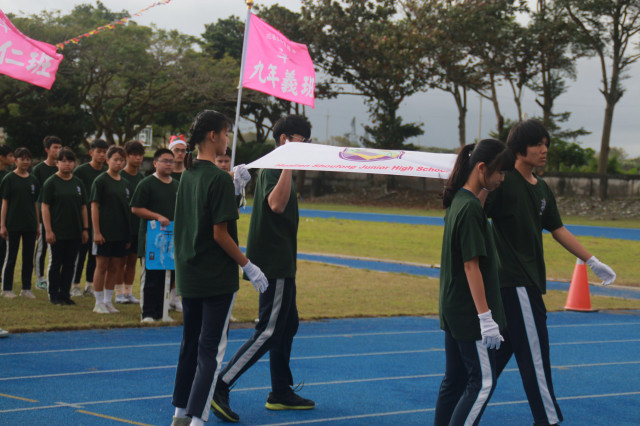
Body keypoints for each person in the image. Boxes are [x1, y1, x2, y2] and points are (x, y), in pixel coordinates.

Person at [483, 119, 617, 426]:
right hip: (516, 285)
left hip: (527, 284)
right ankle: (548, 421)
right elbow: (477, 208)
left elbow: (557, 228)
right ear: (519, 148)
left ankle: (459, 412)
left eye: (546, 144)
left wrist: (592, 260)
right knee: (536, 361)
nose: (544, 150)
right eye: (537, 144)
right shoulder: (504, 181)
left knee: (490, 365)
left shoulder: (541, 187)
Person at [211, 115, 314, 423]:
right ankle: (221, 384)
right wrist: (289, 164)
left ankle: (280, 391)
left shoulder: (281, 166)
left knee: (288, 325)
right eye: (301, 140)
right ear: (284, 139)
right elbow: (276, 204)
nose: (306, 145)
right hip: (273, 262)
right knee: (269, 331)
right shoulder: (275, 166)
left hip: (283, 262)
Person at [170, 110, 268, 426]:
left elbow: (202, 216)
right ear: (213, 135)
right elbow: (220, 234)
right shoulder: (217, 178)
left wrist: (233, 189)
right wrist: (248, 265)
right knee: (211, 350)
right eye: (226, 133)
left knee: (190, 345)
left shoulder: (188, 174)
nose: (228, 140)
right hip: (215, 277)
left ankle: (180, 413)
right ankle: (198, 419)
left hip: (189, 273)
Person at [434, 139, 514, 426]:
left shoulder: (460, 201)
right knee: (482, 383)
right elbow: (471, 266)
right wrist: (485, 318)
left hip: (454, 306)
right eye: (500, 171)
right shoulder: (469, 209)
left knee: (454, 380)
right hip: (469, 313)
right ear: (482, 168)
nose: (502, 178)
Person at [131, 148, 179, 322]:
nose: (168, 164)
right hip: (152, 239)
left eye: (171, 161)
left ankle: (162, 312)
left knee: (168, 276)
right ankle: (148, 313)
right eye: (165, 161)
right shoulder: (146, 184)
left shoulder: (177, 185)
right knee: (151, 276)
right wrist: (157, 216)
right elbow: (136, 208)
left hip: (171, 239)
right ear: (155, 163)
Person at [41, 148, 89, 305]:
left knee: (70, 264)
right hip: (57, 231)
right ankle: (53, 294)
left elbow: (83, 207)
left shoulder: (78, 183)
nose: (67, 164)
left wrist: (85, 228)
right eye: (63, 161)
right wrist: (48, 230)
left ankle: (65, 293)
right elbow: (45, 207)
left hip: (75, 231)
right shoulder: (51, 183)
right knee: (56, 263)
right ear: (57, 163)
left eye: (70, 161)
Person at [90, 145, 131, 314]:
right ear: (108, 161)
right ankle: (98, 302)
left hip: (120, 233)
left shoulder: (125, 183)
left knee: (115, 266)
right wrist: (97, 232)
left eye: (122, 160)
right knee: (102, 266)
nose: (119, 163)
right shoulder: (100, 181)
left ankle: (108, 301)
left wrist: (127, 235)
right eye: (115, 160)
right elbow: (94, 206)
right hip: (104, 232)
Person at [0, 147, 40, 299]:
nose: (25, 162)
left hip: (29, 224)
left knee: (28, 258)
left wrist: (37, 225)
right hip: (13, 225)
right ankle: (6, 289)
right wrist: (2, 225)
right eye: (22, 159)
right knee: (11, 257)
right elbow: (5, 203)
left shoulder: (33, 180)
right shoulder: (9, 179)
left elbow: (35, 204)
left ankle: (26, 288)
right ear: (15, 160)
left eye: (28, 159)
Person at [73, 139, 108, 297]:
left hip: (100, 221)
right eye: (99, 151)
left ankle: (89, 285)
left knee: (95, 255)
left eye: (104, 152)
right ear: (91, 153)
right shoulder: (81, 171)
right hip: (83, 219)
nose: (102, 155)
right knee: (80, 254)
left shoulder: (107, 172)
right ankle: (74, 284)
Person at [114, 140, 145, 305]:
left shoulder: (141, 178)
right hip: (121, 226)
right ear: (126, 156)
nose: (137, 158)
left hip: (138, 226)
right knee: (121, 261)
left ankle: (128, 291)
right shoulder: (120, 176)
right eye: (134, 155)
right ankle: (119, 292)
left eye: (140, 155)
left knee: (133, 261)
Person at [32, 135, 63, 290]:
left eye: (60, 147)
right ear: (47, 150)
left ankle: (56, 277)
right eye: (55, 148)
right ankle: (40, 278)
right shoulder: (39, 169)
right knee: (42, 246)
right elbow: (35, 195)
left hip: (59, 214)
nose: (58, 150)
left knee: (58, 246)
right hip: (43, 213)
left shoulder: (62, 167)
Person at [0, 145, 15, 290]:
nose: (13, 159)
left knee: (3, 247)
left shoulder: (9, 176)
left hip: (5, 217)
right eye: (10, 155)